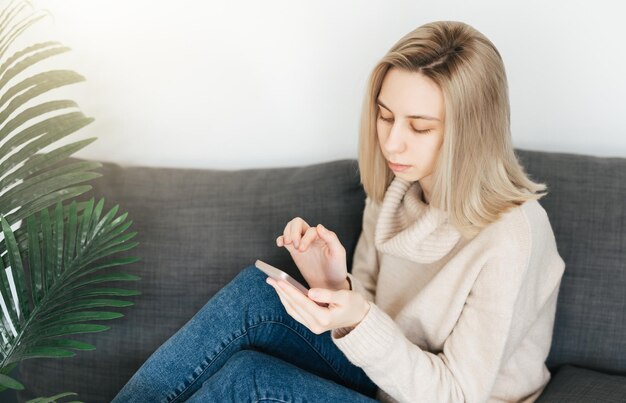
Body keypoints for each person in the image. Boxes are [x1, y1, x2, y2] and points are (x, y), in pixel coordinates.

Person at [112, 20, 565, 402]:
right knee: (257, 291)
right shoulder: (395, 187)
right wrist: (332, 284)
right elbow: (369, 316)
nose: (392, 142)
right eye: (386, 117)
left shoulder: (513, 235)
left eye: (420, 126)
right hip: (384, 378)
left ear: (473, 131)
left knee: (247, 378)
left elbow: (456, 393)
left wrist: (358, 319)